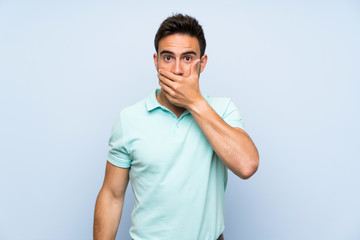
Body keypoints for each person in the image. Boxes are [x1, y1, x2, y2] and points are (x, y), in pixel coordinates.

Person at [93, 13, 259, 240]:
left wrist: (194, 102)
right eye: (168, 58)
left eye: (188, 58)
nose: (178, 70)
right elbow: (112, 195)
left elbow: (247, 165)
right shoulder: (129, 119)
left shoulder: (223, 110)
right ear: (156, 62)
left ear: (203, 63)